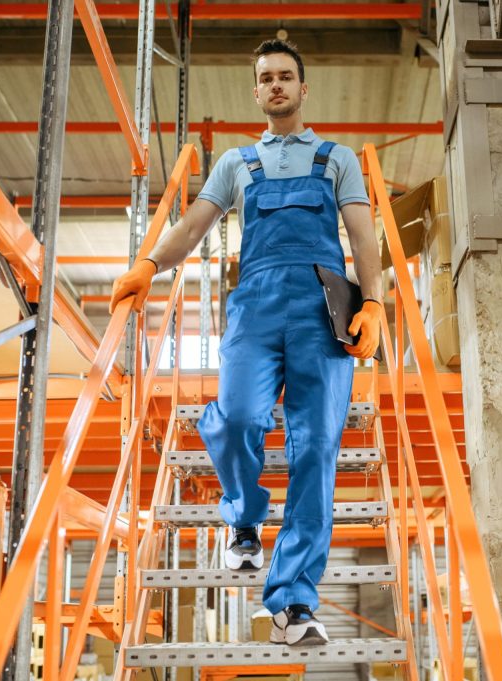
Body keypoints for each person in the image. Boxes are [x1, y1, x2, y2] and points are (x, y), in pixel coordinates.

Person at [109, 39, 383, 647]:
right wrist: (149, 264)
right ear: (256, 92)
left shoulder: (336, 159)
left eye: (287, 76)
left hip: (322, 307)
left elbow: (364, 235)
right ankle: (244, 519)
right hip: (255, 307)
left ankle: (292, 603)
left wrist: (375, 301)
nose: (277, 86)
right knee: (235, 421)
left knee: (316, 449)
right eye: (267, 78)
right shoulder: (236, 164)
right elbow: (191, 227)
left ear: (303, 89)